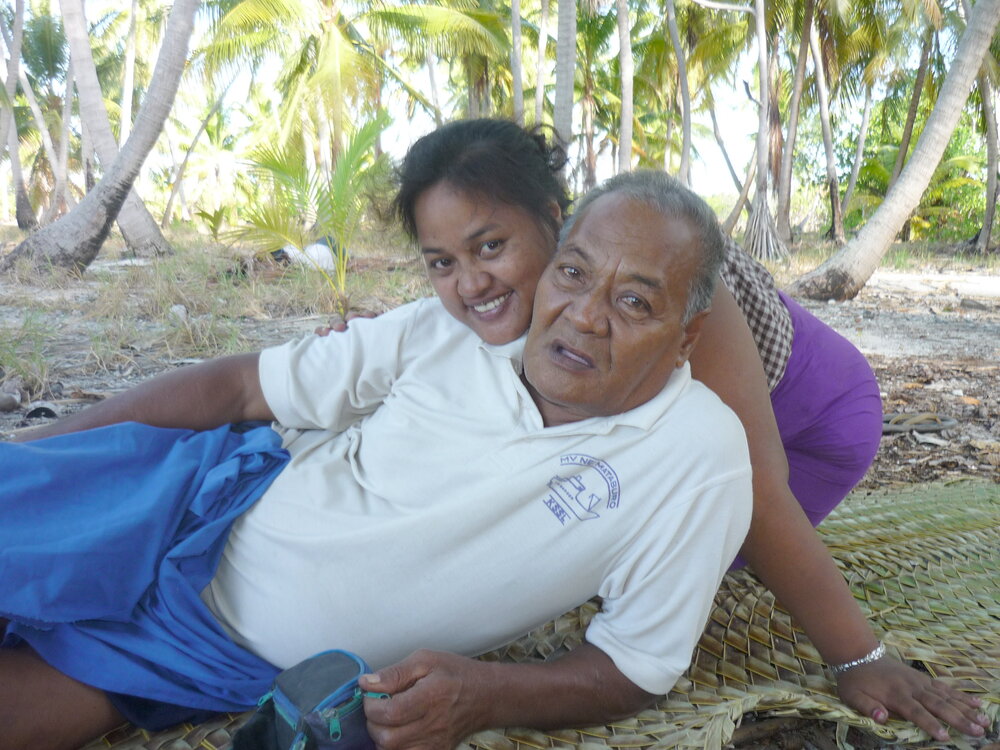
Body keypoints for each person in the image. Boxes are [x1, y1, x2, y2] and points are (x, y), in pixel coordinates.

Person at [0, 172, 754, 750]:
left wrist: (488, 695)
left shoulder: (697, 460)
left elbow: (636, 666)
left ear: (687, 338)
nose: (585, 314)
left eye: (636, 303)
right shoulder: (466, 328)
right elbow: (238, 386)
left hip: (208, 652)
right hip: (187, 501)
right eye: (575, 273)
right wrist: (38, 450)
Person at [324, 117, 989, 745]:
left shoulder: (650, 257)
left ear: (547, 224)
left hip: (812, 415)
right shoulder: (519, 279)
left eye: (491, 247)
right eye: (444, 261)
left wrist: (860, 659)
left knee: (679, 543)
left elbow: (757, 484)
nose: (471, 279)